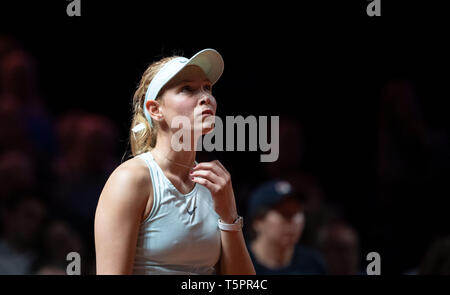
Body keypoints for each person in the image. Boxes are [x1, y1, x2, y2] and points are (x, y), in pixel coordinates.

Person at [94, 49, 255, 275]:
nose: (206, 97)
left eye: (207, 88)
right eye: (187, 89)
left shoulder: (214, 183)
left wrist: (229, 217)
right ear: (156, 110)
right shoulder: (131, 179)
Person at [246, 180, 327, 274]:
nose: (294, 221)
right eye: (286, 214)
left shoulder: (313, 263)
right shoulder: (238, 262)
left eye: (298, 212)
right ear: (258, 221)